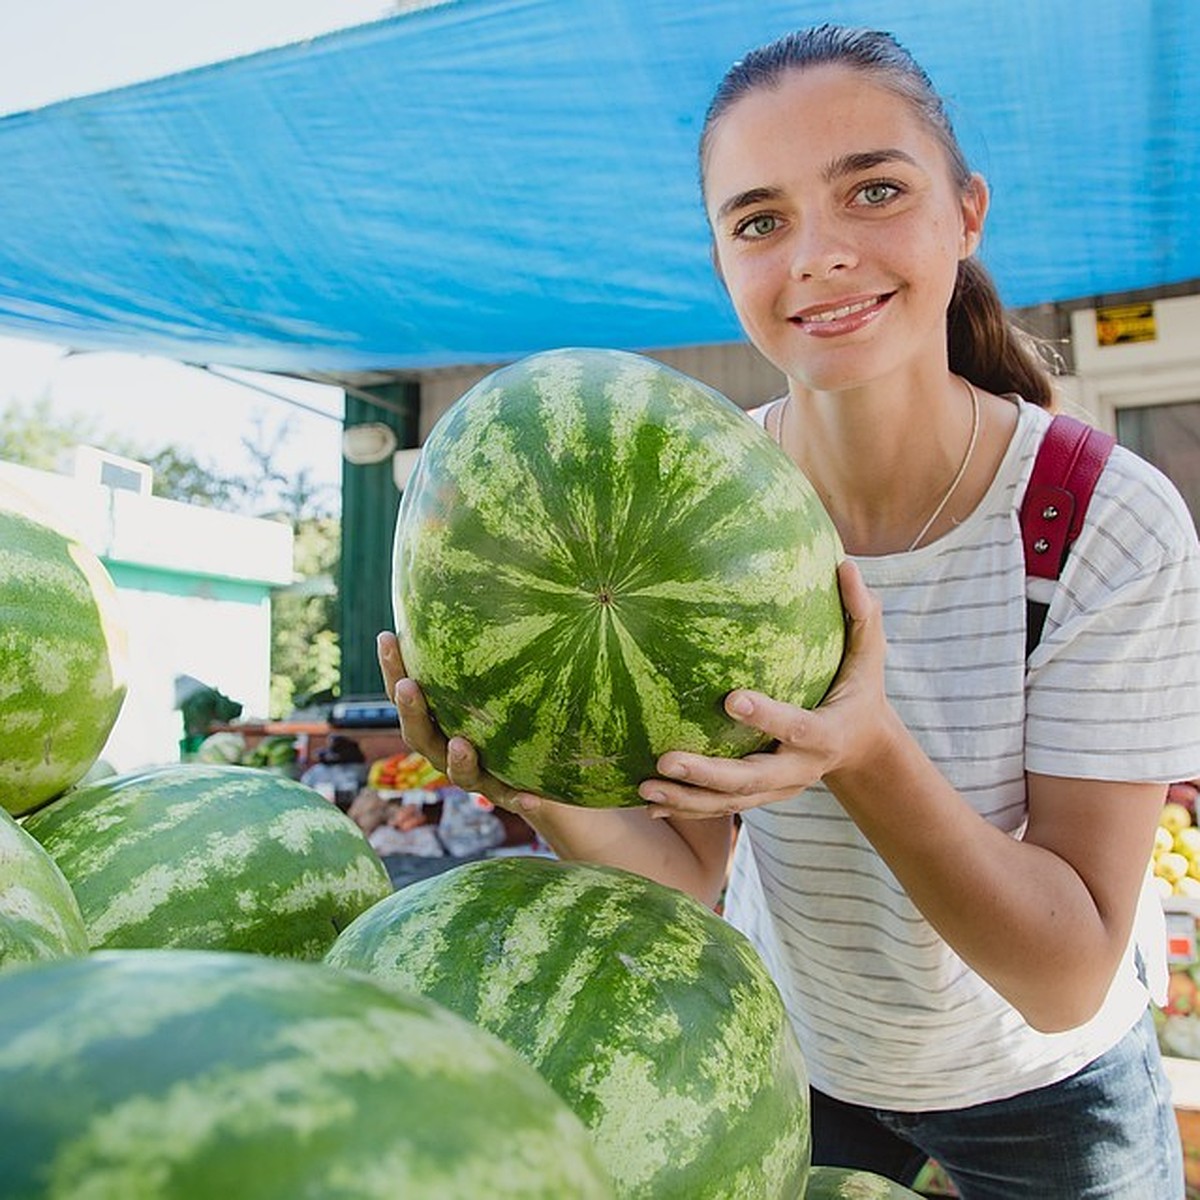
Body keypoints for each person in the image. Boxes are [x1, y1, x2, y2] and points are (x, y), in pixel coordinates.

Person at [377, 24, 1200, 1199]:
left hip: (1056, 1100)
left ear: (966, 214)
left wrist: (863, 750)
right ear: (722, 264)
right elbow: (689, 876)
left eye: (874, 190)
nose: (817, 256)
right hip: (791, 1067)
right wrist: (540, 784)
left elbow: (1067, 973)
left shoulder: (1102, 522)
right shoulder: (678, 501)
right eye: (759, 221)